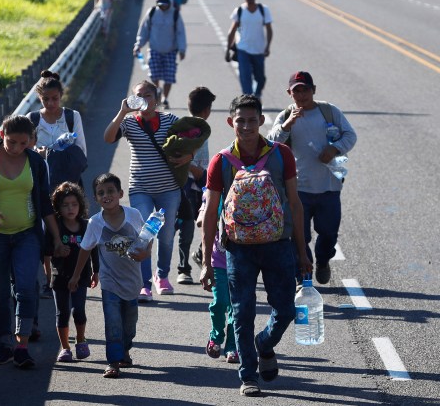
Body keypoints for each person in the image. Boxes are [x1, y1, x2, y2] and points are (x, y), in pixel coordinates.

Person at [199, 94, 312, 397]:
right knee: (242, 310)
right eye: (240, 121)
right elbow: (211, 213)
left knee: (286, 310)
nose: (246, 126)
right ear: (230, 122)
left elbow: (295, 204)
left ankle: (264, 343)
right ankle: (248, 374)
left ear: (262, 121)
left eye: (252, 120)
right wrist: (208, 263)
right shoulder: (220, 161)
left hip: (278, 244)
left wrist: (302, 252)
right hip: (238, 248)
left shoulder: (281, 154)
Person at [0, 115, 68, 369]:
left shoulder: (36, 162)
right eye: (11, 142)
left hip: (27, 234)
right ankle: (4, 345)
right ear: (1, 135)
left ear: (30, 141)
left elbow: (44, 203)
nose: (16, 148)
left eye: (22, 143)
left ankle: (22, 346)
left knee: (26, 287)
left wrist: (55, 237)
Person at [103, 80, 191, 301]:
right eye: (138, 96)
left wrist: (188, 157)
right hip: (140, 187)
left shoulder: (171, 120)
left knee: (166, 235)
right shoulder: (129, 123)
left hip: (168, 189)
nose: (143, 100)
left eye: (148, 95)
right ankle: (144, 284)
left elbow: (192, 140)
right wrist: (122, 112)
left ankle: (162, 275)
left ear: (157, 98)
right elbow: (107, 138)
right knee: (143, 233)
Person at [266, 71, 357, 284]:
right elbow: (271, 143)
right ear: (289, 93)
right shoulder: (286, 115)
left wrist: (335, 149)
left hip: (329, 187)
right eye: (296, 90)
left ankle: (323, 260)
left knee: (328, 235)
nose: (301, 94)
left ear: (313, 90)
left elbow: (350, 135)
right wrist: (287, 124)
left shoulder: (329, 111)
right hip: (298, 190)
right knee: (299, 238)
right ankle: (303, 278)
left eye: (305, 89)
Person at [76, 173, 150, 378]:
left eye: (110, 191)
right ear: (95, 198)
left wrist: (147, 253)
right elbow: (84, 249)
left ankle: (125, 349)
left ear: (120, 193)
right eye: (101, 193)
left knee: (129, 324)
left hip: (132, 281)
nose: (106, 195)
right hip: (109, 281)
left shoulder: (133, 215)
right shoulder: (95, 222)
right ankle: (113, 362)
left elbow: (148, 234)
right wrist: (77, 276)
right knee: (113, 322)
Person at [44, 182, 99, 363]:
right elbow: (46, 251)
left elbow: (94, 249)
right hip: (59, 276)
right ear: (58, 207)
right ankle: (66, 347)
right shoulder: (56, 227)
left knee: (79, 310)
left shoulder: (85, 225)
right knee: (62, 312)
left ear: (80, 205)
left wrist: (95, 271)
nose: (70, 208)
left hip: (81, 275)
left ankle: (81, 340)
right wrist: (56, 253)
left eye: (74, 204)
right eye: (65, 205)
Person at [176, 86, 216, 284]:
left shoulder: (197, 126)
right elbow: (180, 155)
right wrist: (195, 170)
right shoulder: (192, 128)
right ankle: (183, 268)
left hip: (199, 184)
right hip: (187, 184)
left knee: (207, 220)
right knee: (186, 226)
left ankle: (200, 255)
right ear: (207, 109)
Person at [27, 70, 88, 192]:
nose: (50, 103)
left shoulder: (72, 116)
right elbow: (26, 151)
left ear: (61, 95)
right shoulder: (32, 119)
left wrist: (47, 154)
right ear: (39, 97)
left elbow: (81, 152)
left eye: (55, 98)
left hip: (69, 183)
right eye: (45, 99)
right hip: (40, 183)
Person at [198, 192, 239, 364]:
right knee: (220, 301)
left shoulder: (246, 189)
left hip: (240, 261)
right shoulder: (212, 193)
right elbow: (200, 220)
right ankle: (216, 335)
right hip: (218, 262)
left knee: (235, 308)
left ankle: (232, 347)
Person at [133, 0, 187, 109]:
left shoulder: (175, 14)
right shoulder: (152, 13)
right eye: (161, 4)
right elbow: (144, 30)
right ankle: (157, 90)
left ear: (170, 3)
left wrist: (182, 49)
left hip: (170, 51)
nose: (163, 7)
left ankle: (165, 98)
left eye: (165, 4)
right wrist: (138, 45)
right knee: (153, 75)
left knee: (169, 76)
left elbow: (180, 33)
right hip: (154, 50)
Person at [225, 0, 273, 99]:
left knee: (260, 78)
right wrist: (228, 50)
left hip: (259, 50)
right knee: (245, 76)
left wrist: (267, 47)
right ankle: (249, 99)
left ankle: (257, 94)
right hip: (243, 49)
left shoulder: (263, 10)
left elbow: (269, 29)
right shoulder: (239, 11)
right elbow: (231, 31)